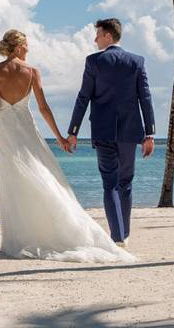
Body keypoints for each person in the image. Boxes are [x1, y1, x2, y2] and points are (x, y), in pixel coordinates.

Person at [0, 29, 135, 263]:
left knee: (11, 180)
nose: (29, 49)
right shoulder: (31, 71)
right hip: (25, 127)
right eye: (27, 45)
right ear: (19, 46)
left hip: (4, 130)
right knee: (41, 172)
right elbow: (43, 108)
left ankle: (20, 237)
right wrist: (60, 137)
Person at [67, 18, 155, 248]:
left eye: (98, 34)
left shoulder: (94, 61)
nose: (95, 39)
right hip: (130, 132)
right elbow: (145, 98)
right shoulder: (136, 61)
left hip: (103, 130)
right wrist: (150, 134)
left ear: (108, 35)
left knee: (110, 183)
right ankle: (123, 234)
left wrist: (73, 131)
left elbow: (83, 97)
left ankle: (118, 237)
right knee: (125, 182)